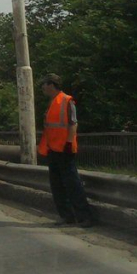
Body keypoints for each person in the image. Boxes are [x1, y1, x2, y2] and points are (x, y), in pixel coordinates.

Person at [37, 74, 94, 227]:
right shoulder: (52, 102)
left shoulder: (66, 101)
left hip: (64, 149)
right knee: (57, 185)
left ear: (51, 85)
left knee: (72, 184)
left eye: (44, 84)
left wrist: (69, 143)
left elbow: (73, 123)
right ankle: (67, 216)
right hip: (53, 149)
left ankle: (84, 217)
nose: (42, 87)